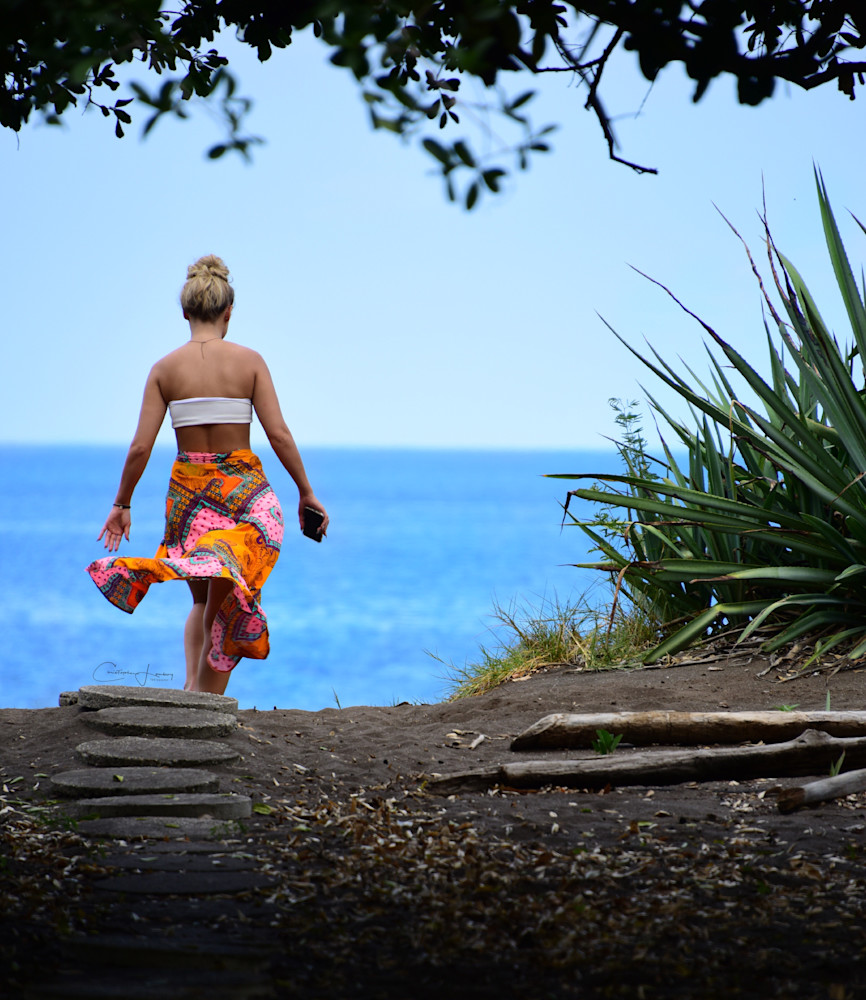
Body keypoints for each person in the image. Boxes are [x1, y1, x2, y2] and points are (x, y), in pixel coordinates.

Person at [86, 255, 328, 695]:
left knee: (203, 598)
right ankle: (203, 696)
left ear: (185, 312)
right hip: (243, 495)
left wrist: (122, 503)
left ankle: (194, 689)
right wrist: (305, 492)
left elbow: (140, 447)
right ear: (228, 313)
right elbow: (278, 434)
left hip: (189, 497)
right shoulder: (250, 362)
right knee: (227, 588)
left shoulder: (164, 370)